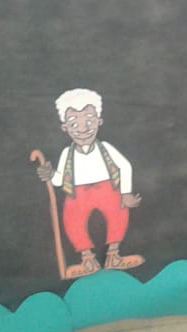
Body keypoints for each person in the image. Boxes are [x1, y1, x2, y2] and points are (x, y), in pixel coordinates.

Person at [35, 88, 143, 278]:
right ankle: (87, 259)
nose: (82, 128)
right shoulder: (67, 153)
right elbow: (60, 179)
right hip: (77, 193)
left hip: (107, 189)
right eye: (74, 123)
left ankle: (113, 255)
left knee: (118, 214)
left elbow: (124, 166)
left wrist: (125, 193)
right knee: (72, 220)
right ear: (65, 127)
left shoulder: (105, 148)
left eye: (89, 120)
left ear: (99, 122)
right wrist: (49, 175)